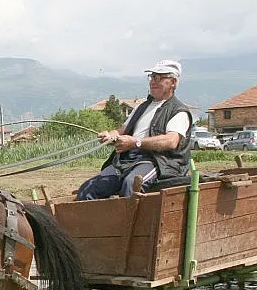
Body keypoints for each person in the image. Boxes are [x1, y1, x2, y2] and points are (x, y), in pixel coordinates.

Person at [76, 59, 193, 200]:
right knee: (87, 189)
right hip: (127, 161)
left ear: (173, 82)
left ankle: (128, 222)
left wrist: (136, 143)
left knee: (131, 184)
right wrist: (111, 135)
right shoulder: (141, 107)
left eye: (158, 77)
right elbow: (123, 129)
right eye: (151, 77)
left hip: (158, 162)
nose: (153, 81)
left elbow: (171, 141)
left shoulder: (179, 111)